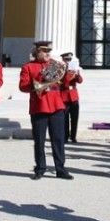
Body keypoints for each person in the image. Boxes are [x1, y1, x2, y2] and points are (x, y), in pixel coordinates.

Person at [19, 40, 73, 180]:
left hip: (56, 105)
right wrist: (37, 81)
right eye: (44, 51)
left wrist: (67, 71)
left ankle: (60, 169)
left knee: (58, 139)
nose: (48, 53)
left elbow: (65, 83)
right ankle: (40, 168)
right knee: (39, 140)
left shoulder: (55, 64)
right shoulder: (28, 67)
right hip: (39, 105)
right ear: (37, 52)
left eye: (49, 51)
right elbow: (23, 86)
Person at [59, 52, 83, 143]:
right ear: (63, 60)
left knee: (74, 117)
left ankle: (73, 136)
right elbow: (64, 82)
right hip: (64, 95)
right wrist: (70, 74)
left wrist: (77, 75)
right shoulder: (61, 69)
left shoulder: (74, 68)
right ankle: (65, 136)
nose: (68, 61)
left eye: (69, 59)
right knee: (65, 118)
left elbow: (80, 81)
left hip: (73, 95)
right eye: (66, 60)